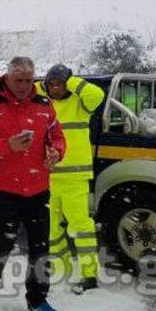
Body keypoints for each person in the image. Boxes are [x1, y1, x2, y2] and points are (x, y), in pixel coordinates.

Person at [0, 56, 66, 311]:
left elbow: (58, 137)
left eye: (28, 80)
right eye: (18, 80)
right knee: (1, 244)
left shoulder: (44, 106)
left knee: (40, 248)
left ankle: (38, 299)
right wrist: (6, 146)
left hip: (38, 190)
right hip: (4, 190)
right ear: (8, 78)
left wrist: (56, 153)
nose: (24, 85)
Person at [36, 64, 105, 294]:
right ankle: (62, 268)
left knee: (80, 227)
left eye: (60, 84)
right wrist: (45, 83)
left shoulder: (80, 104)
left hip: (75, 177)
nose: (55, 89)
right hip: (49, 177)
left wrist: (71, 79)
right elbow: (25, 90)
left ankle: (89, 274)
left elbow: (96, 95)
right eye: (51, 85)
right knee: (51, 229)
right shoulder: (44, 105)